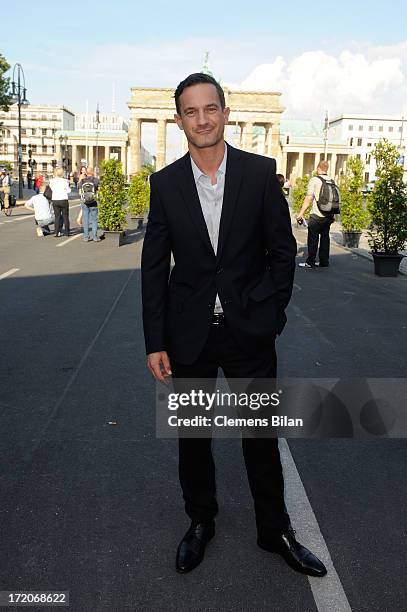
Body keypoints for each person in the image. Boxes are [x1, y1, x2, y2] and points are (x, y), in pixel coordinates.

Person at [141, 73, 327, 578]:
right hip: (189, 336)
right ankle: (200, 522)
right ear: (179, 120)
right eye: (190, 111)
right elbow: (155, 266)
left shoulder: (261, 173)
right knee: (194, 439)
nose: (201, 119)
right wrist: (155, 340)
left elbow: (282, 253)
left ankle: (275, 531)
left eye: (210, 109)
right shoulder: (166, 184)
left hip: (249, 332)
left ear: (225, 113)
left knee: (262, 437)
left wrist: (271, 312)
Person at [297, 160, 336, 268]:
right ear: (326, 169)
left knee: (313, 238)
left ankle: (310, 261)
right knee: (325, 238)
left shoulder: (314, 180)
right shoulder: (332, 181)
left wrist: (301, 213)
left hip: (316, 214)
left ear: (318, 168)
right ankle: (324, 261)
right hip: (328, 215)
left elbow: (309, 197)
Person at [78, 166, 100, 242]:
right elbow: (99, 190)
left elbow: (80, 192)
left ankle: (86, 237)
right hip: (93, 202)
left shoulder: (82, 181)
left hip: (85, 202)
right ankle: (94, 237)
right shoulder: (96, 180)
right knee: (94, 220)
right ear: (93, 172)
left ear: (86, 173)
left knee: (85, 219)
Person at [49, 167, 71, 237]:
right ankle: (67, 232)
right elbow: (68, 191)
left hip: (55, 199)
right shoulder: (65, 181)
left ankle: (56, 232)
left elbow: (51, 189)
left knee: (57, 217)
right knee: (65, 216)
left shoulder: (51, 181)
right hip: (63, 199)